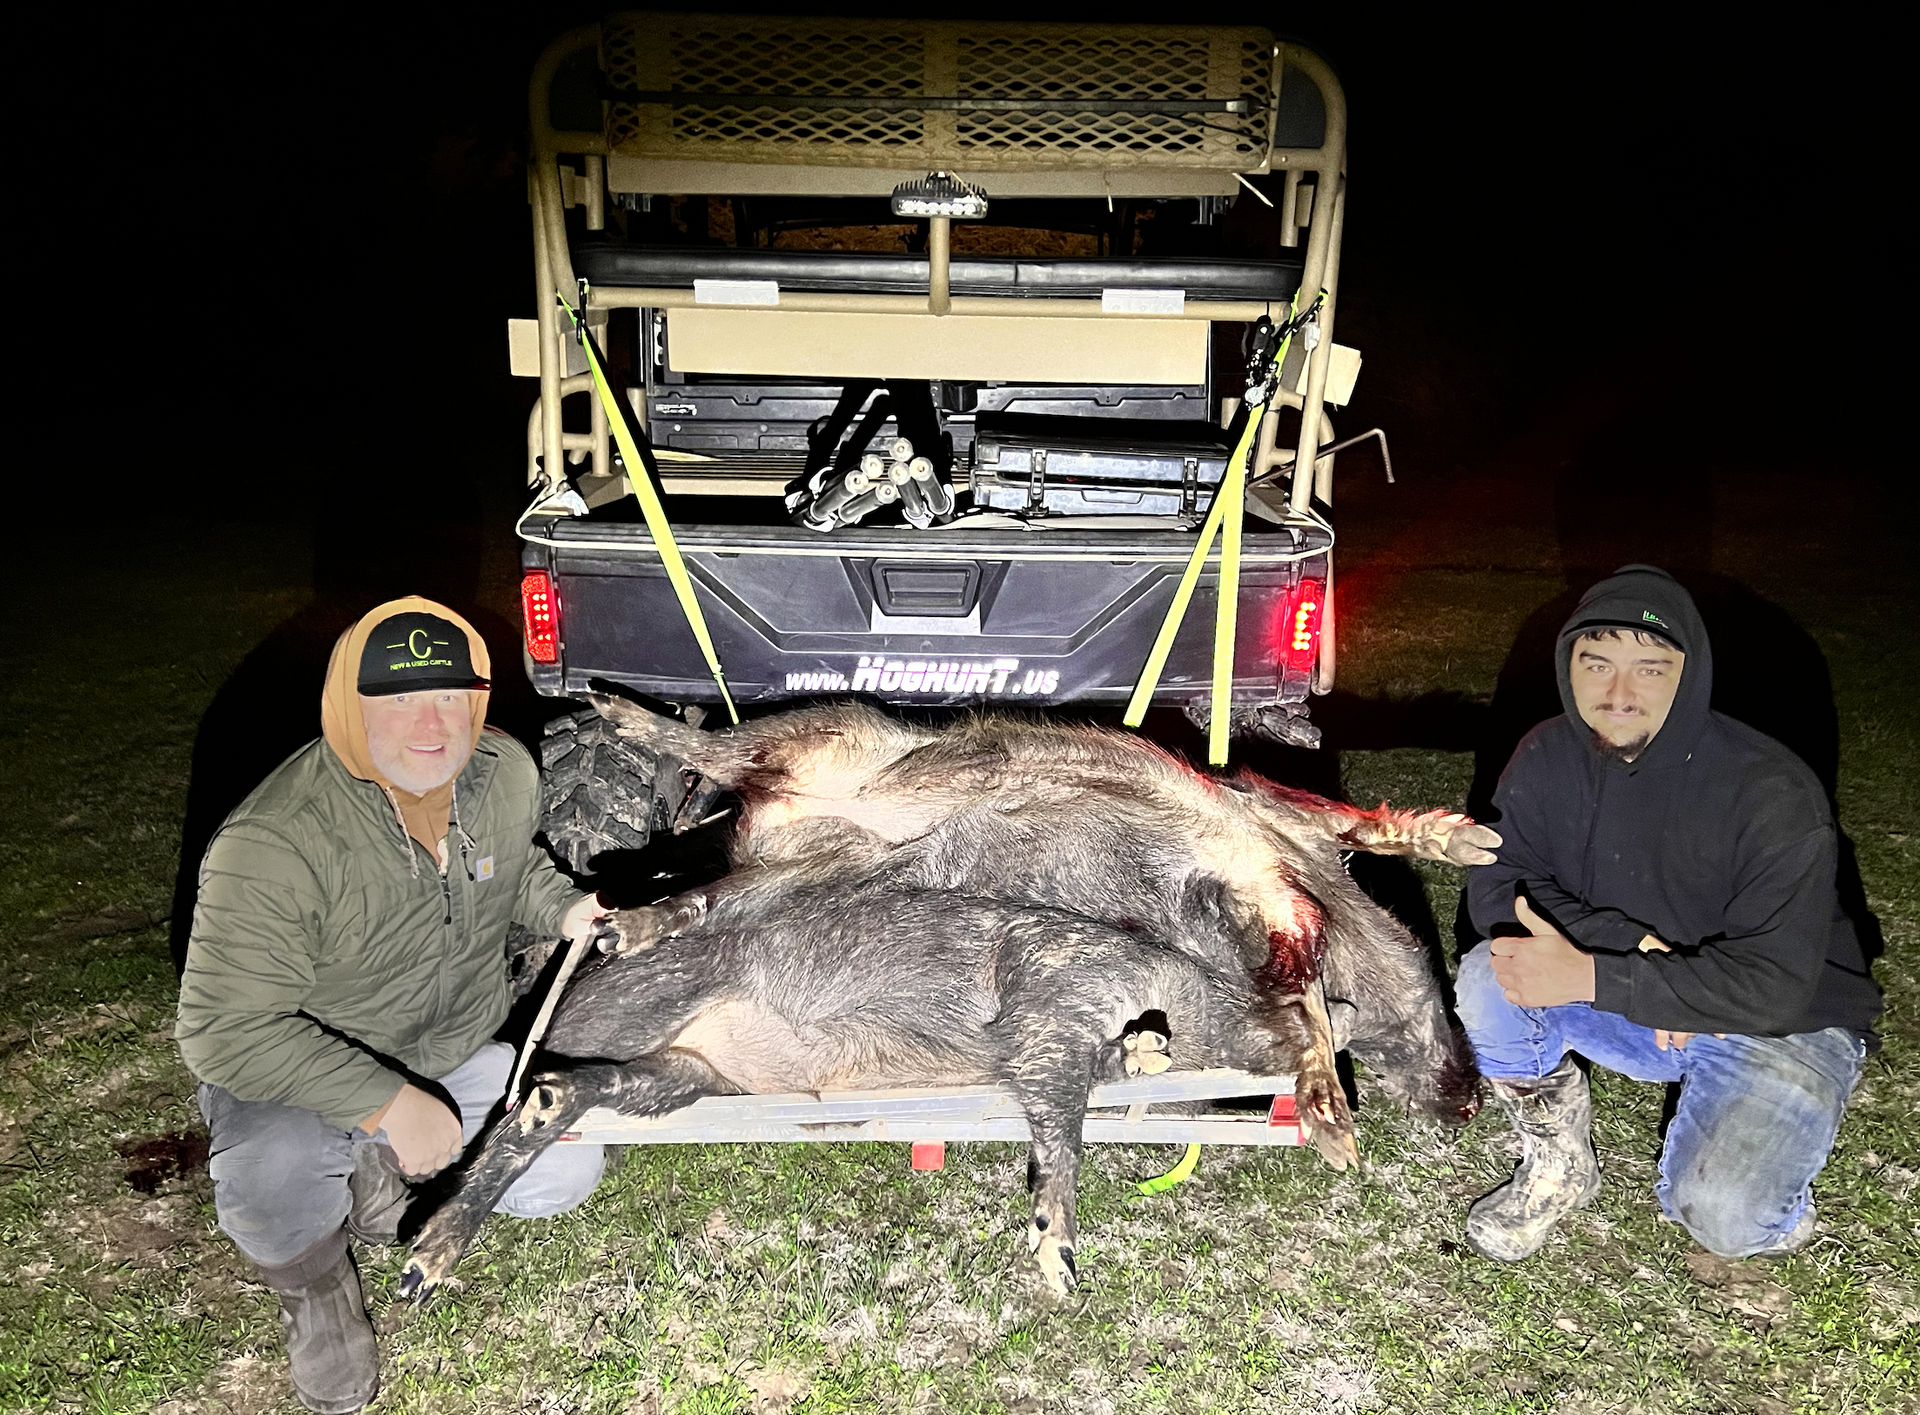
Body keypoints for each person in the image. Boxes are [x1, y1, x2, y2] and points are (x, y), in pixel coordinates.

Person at [177, 598, 609, 1414]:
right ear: (349, 704)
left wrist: (566, 907)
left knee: (559, 1172)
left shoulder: (504, 772)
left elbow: (515, 873)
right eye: (398, 699)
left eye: (450, 696)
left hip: (447, 1046)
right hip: (297, 1068)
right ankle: (316, 1296)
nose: (431, 724)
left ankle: (378, 1166)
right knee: (271, 1171)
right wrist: (387, 1099)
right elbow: (222, 1029)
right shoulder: (274, 840)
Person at [1456, 565, 1881, 1262]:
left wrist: (1612, 976)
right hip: (1644, 998)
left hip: (1781, 1021)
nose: (1618, 694)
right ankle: (1559, 1163)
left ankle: (1775, 1197)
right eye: (1597, 664)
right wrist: (1623, 952)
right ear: (1569, 665)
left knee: (1724, 1216)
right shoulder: (1544, 753)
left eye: (1650, 670)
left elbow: (1774, 984)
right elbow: (1497, 884)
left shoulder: (1770, 791)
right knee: (1490, 973)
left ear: (1690, 674)